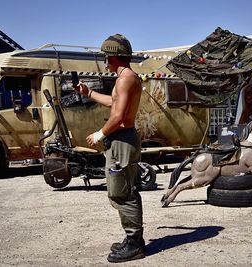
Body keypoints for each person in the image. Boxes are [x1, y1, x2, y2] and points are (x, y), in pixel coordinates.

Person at [74, 34, 145, 263]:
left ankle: (135, 244)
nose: (104, 59)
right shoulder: (124, 77)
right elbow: (115, 103)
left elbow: (119, 115)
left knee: (122, 192)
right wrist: (89, 94)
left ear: (113, 56)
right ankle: (132, 238)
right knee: (121, 189)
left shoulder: (126, 78)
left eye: (106, 55)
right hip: (121, 140)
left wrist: (99, 134)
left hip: (122, 140)